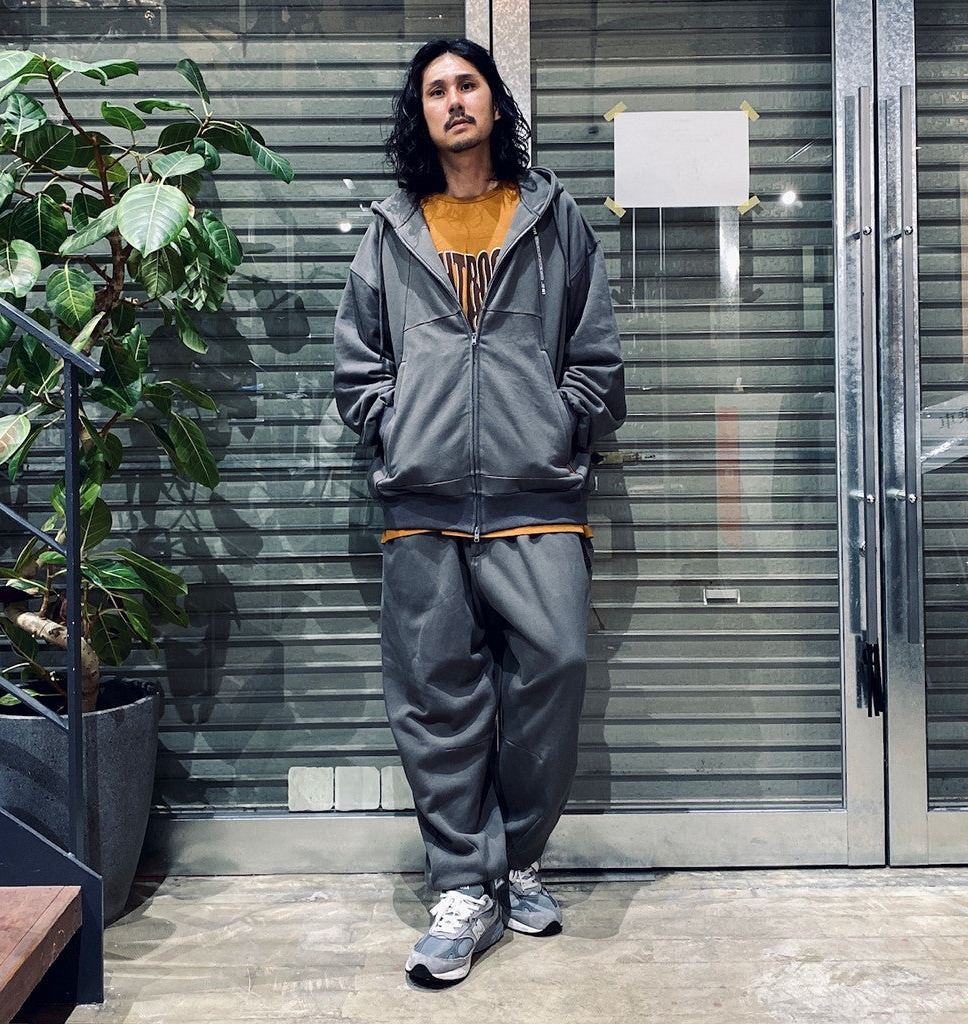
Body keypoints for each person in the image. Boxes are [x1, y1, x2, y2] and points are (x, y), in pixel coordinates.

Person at [333, 37, 625, 987]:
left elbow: (596, 355)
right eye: (435, 90)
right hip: (422, 501)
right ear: (419, 114)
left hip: (538, 494)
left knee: (557, 668)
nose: (454, 101)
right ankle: (465, 886)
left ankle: (519, 858)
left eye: (468, 85)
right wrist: (396, 426)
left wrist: (560, 422)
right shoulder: (392, 227)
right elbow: (357, 366)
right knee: (435, 698)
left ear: (495, 103)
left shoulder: (552, 216)